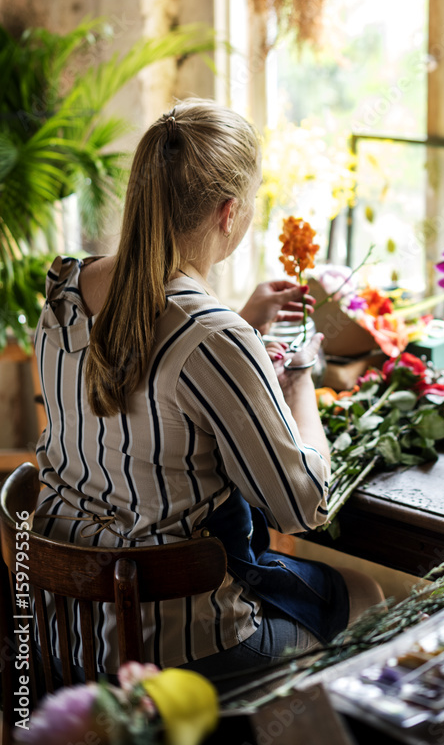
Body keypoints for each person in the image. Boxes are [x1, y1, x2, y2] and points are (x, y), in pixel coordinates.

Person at [32, 99, 383, 692]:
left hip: (63, 632)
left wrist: (240, 334)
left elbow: (133, 386)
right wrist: (297, 383)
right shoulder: (212, 334)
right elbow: (304, 508)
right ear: (229, 212)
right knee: (368, 597)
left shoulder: (65, 291)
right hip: (169, 648)